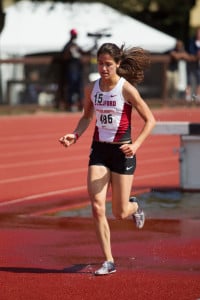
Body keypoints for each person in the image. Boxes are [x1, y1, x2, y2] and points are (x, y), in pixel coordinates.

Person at [59, 43, 156, 275]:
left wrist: (136, 145)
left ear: (118, 64)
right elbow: (86, 117)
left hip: (122, 153)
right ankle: (109, 261)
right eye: (100, 63)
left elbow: (151, 120)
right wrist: (75, 134)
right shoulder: (91, 88)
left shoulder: (126, 89)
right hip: (100, 151)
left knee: (120, 212)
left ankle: (135, 207)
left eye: (108, 64)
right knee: (97, 206)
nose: (103, 68)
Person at [57, 28, 85, 111]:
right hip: (71, 70)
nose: (75, 36)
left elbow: (83, 52)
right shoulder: (68, 45)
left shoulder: (75, 45)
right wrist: (69, 53)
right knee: (71, 88)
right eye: (74, 35)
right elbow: (64, 57)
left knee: (79, 87)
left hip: (77, 70)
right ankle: (69, 105)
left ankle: (80, 105)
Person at [185, 27, 200, 103]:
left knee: (198, 81)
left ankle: (197, 97)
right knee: (189, 80)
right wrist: (196, 55)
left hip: (198, 65)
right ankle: (188, 97)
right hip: (191, 63)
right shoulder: (192, 41)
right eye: (198, 33)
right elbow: (190, 51)